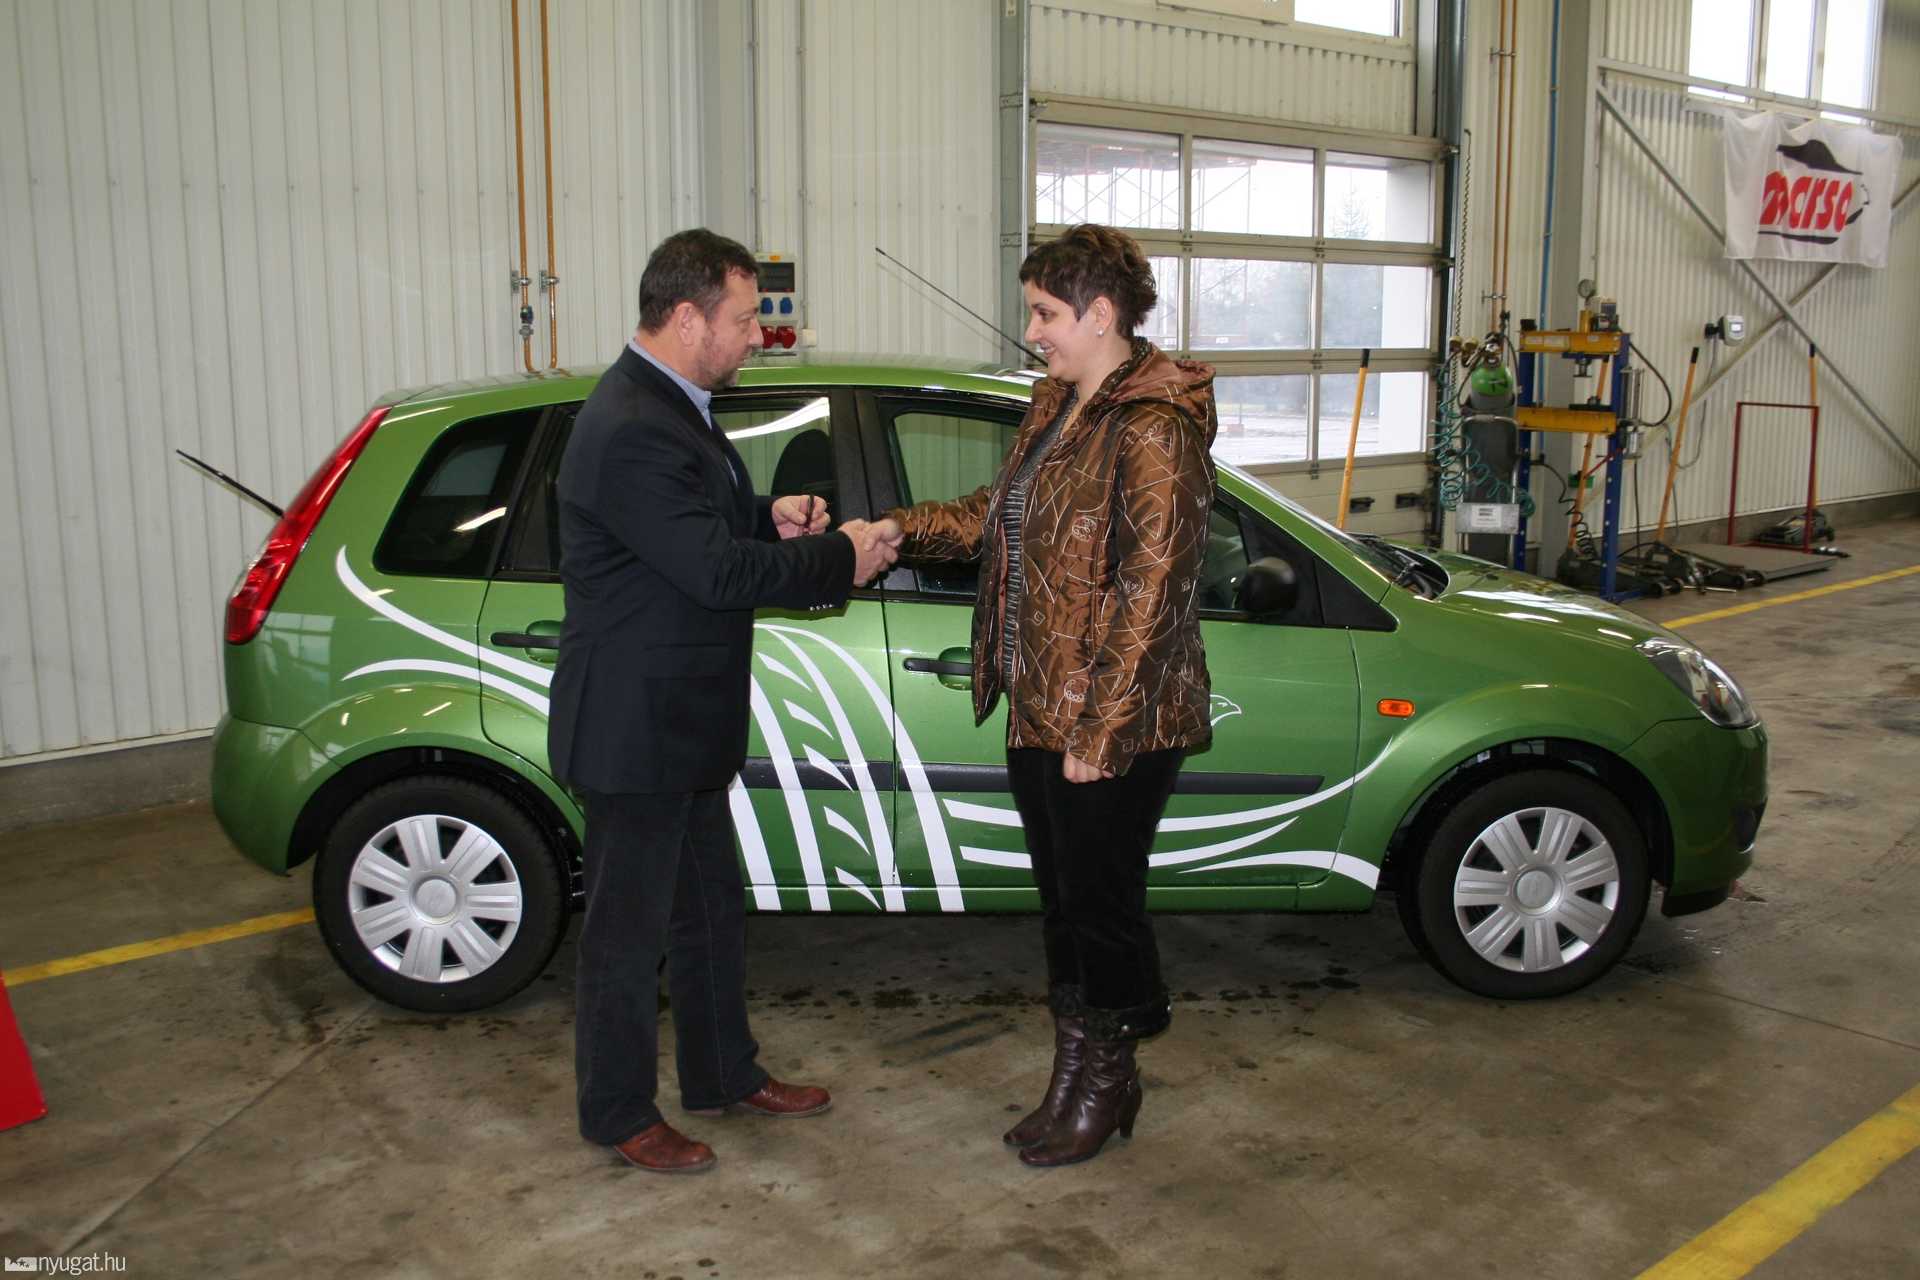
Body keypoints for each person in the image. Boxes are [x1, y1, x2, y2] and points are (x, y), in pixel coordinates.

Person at [549, 228, 897, 1174]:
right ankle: (619, 1113)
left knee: (708, 913)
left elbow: (689, 526)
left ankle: (722, 1073)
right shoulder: (632, 424)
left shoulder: (674, 405)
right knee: (626, 940)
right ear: (688, 316)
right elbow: (711, 572)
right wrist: (836, 556)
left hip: (683, 723)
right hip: (634, 731)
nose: (757, 336)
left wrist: (766, 517)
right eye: (744, 320)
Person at [872, 223, 1218, 1167]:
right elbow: (997, 515)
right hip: (1039, 702)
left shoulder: (1155, 427)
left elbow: (1154, 589)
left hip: (1116, 719)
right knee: (1063, 904)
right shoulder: (1060, 408)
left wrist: (1101, 731)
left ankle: (1108, 1078)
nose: (1033, 333)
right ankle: (1074, 1072)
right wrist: (896, 527)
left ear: (1101, 315)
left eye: (1046, 314)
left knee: (1102, 905)